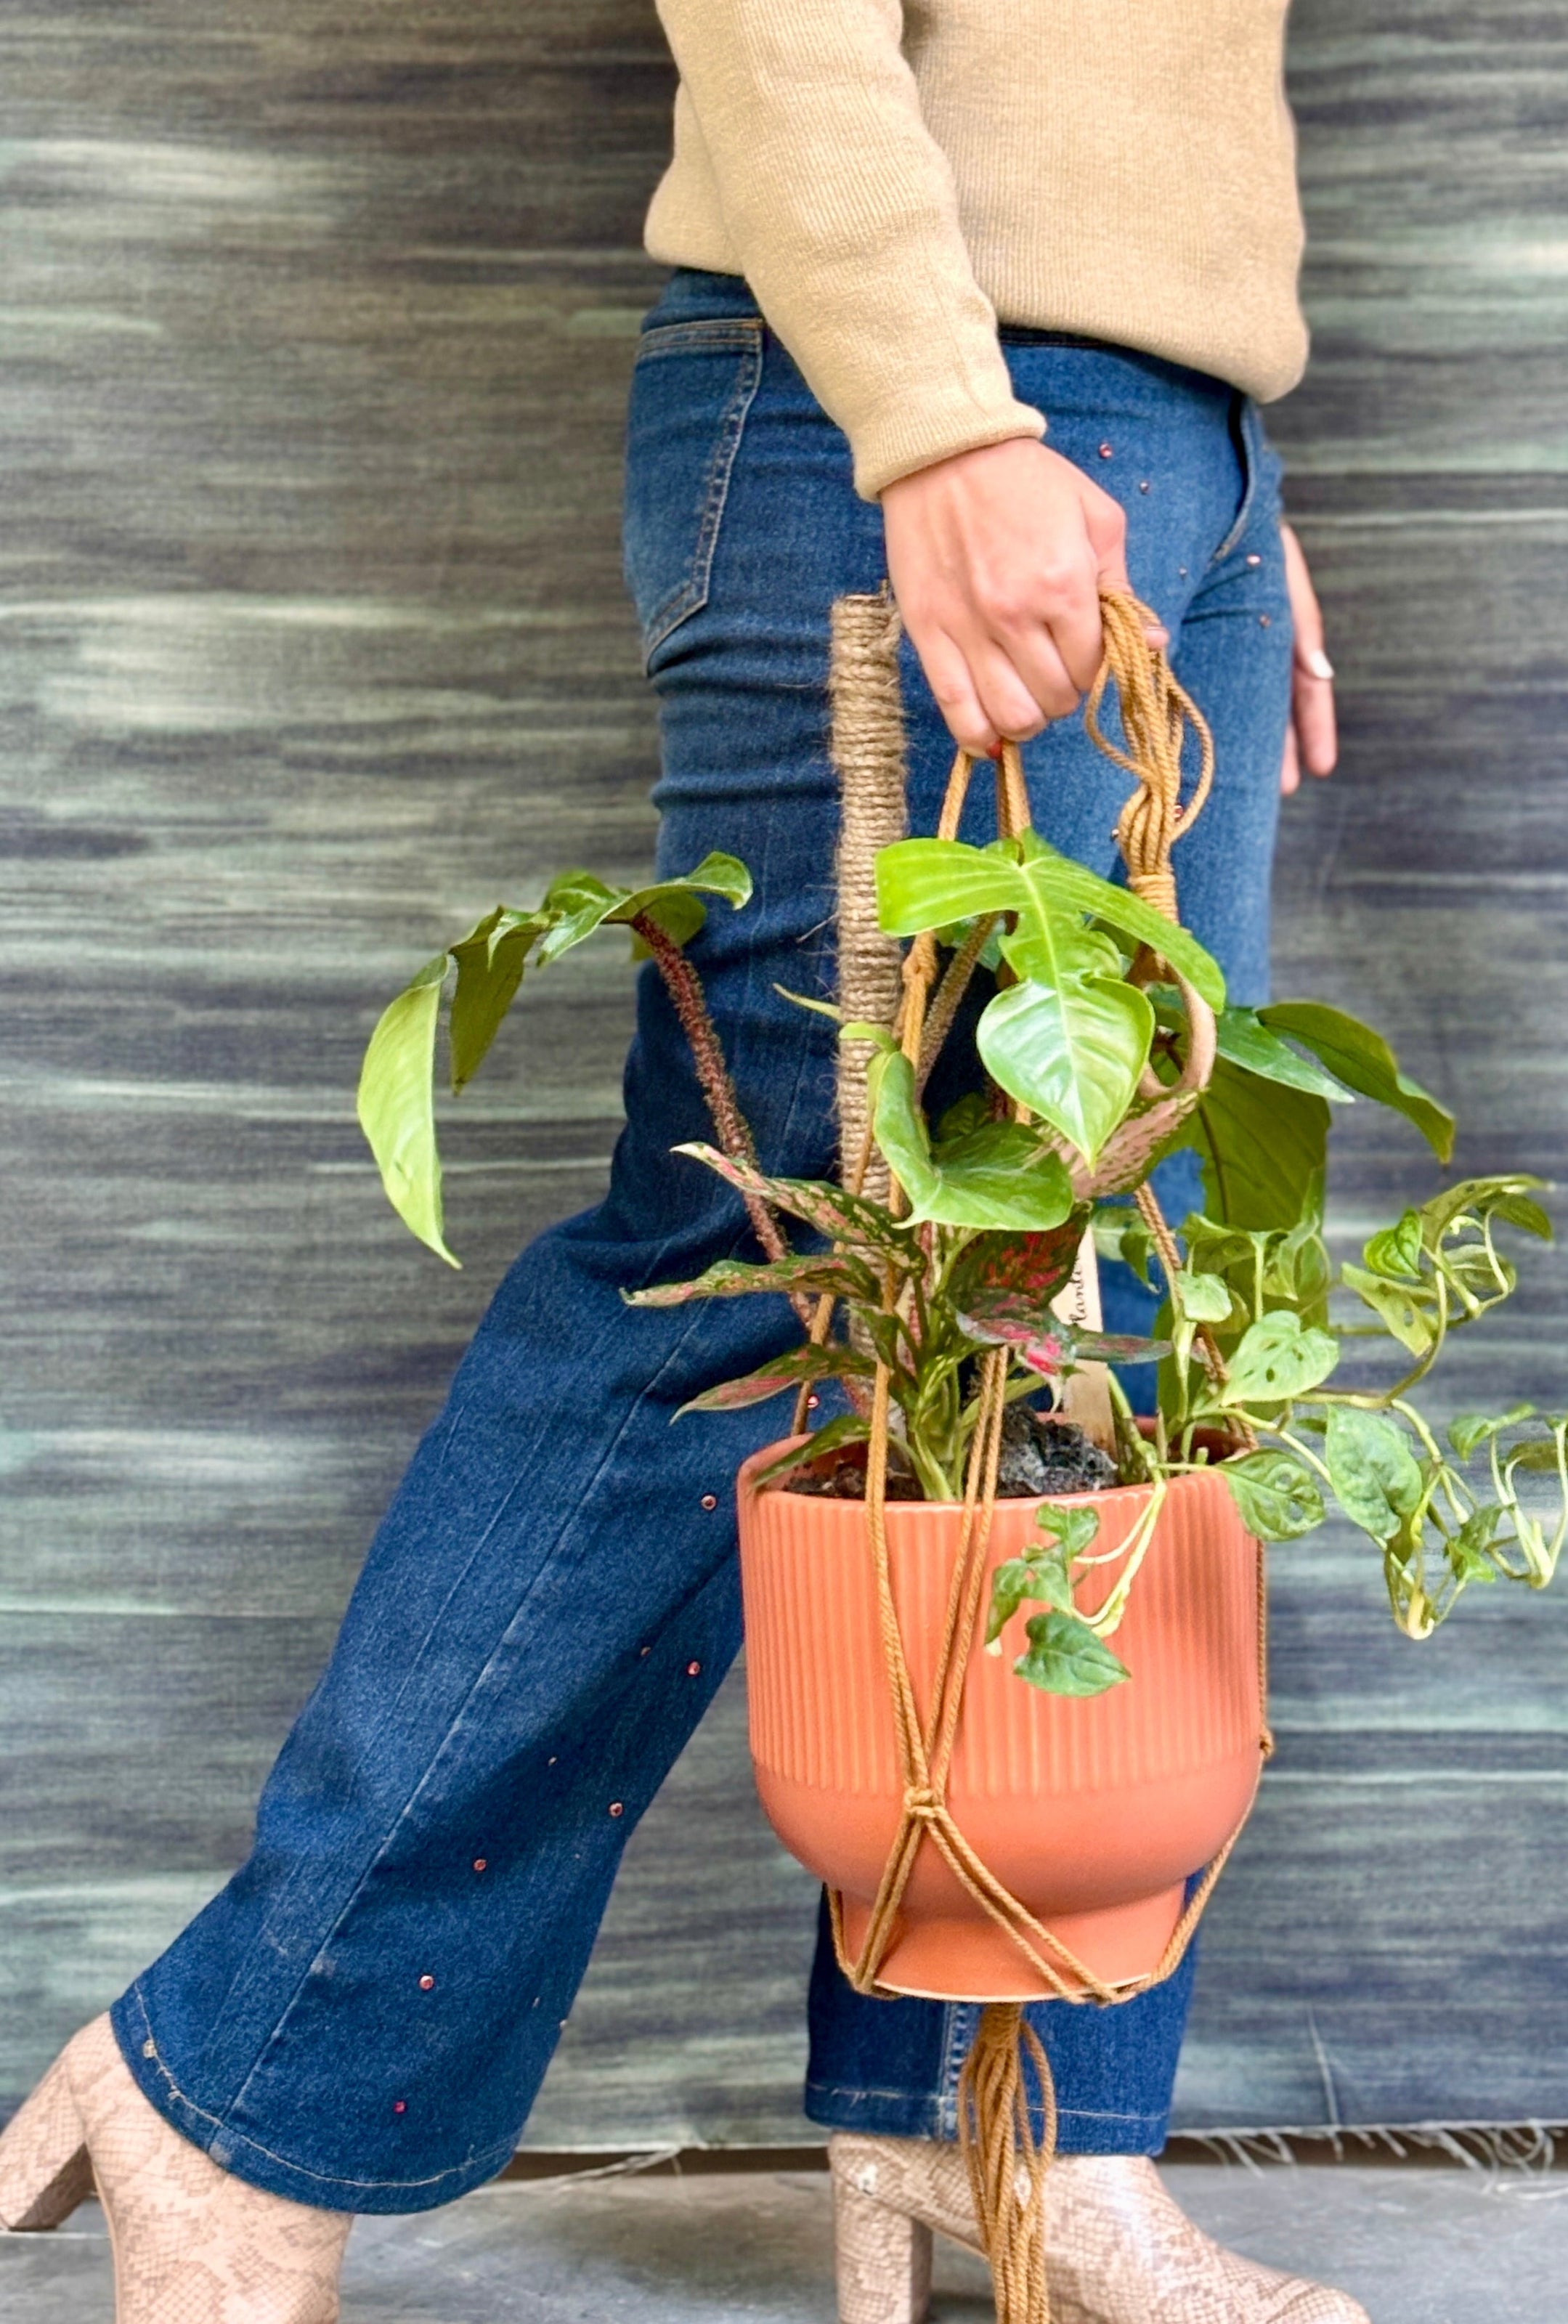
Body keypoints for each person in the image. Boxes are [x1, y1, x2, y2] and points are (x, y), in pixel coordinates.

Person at [0, 5, 1368, 2320]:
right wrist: (952, 422)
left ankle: (998, 2122)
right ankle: (230, 2083)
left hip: (1133, 435)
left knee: (1085, 1328)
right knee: (767, 1280)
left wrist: (1210, 456)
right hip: (906, 406)